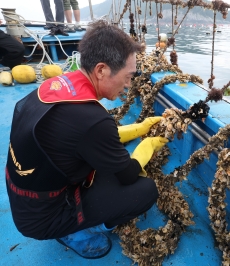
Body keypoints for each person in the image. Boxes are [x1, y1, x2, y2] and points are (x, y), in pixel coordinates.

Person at [5, 20, 168, 259]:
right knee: (145, 190)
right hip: (43, 218)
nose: (129, 84)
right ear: (101, 70)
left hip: (25, 198)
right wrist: (148, 144)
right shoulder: (92, 120)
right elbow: (128, 174)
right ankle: (77, 231)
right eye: (128, 76)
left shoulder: (57, 85)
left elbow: (89, 139)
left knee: (105, 167)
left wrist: (139, 127)